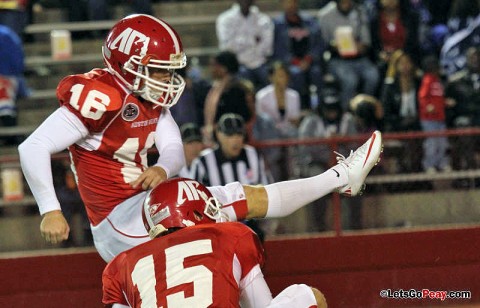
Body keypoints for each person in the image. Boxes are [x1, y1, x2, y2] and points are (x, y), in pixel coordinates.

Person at [18, 14, 188, 260]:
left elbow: (173, 146)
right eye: (158, 69)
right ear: (126, 64)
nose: (166, 79)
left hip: (142, 208)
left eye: (169, 70)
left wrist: (162, 167)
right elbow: (33, 147)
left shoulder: (149, 97)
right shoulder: (100, 97)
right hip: (117, 219)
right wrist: (51, 210)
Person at [102, 177, 328, 308]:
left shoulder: (121, 264)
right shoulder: (232, 236)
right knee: (308, 296)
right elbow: (262, 305)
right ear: (194, 213)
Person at [317, 0, 380, 111]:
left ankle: (365, 110)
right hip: (337, 59)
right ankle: (346, 111)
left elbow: (366, 41)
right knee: (350, 80)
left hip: (359, 57)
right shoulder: (325, 15)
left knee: (373, 75)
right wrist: (334, 45)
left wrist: (361, 46)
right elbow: (322, 43)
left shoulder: (360, 12)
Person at [271, 0, 325, 109]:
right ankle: (301, 107)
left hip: (310, 61)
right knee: (296, 74)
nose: (291, 5)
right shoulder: (278, 24)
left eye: (293, 2)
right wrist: (295, 61)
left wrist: (309, 59)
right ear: (283, 4)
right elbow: (278, 49)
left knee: (316, 73)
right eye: (288, 3)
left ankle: (321, 108)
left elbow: (320, 44)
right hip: (289, 63)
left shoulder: (310, 21)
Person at [216, 0, 274, 90]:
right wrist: (253, 41)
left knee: (275, 78)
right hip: (237, 64)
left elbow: (267, 48)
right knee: (243, 80)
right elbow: (227, 47)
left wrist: (240, 42)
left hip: (260, 62)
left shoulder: (264, 19)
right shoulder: (225, 19)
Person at [202, 51, 253, 146]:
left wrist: (216, 127)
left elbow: (243, 116)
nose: (211, 69)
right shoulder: (214, 88)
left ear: (224, 68)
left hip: (232, 140)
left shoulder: (237, 89)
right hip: (215, 140)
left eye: (214, 65)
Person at [418, 55, 452, 173]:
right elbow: (422, 97)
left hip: (439, 117)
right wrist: (427, 106)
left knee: (442, 142)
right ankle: (429, 165)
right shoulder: (427, 79)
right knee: (432, 142)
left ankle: (442, 163)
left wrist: (445, 102)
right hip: (429, 118)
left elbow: (438, 98)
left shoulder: (437, 81)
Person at [0, 24, 30, 146]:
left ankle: (11, 136)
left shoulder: (5, 34)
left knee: (3, 91)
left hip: (7, 77)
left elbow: (17, 64)